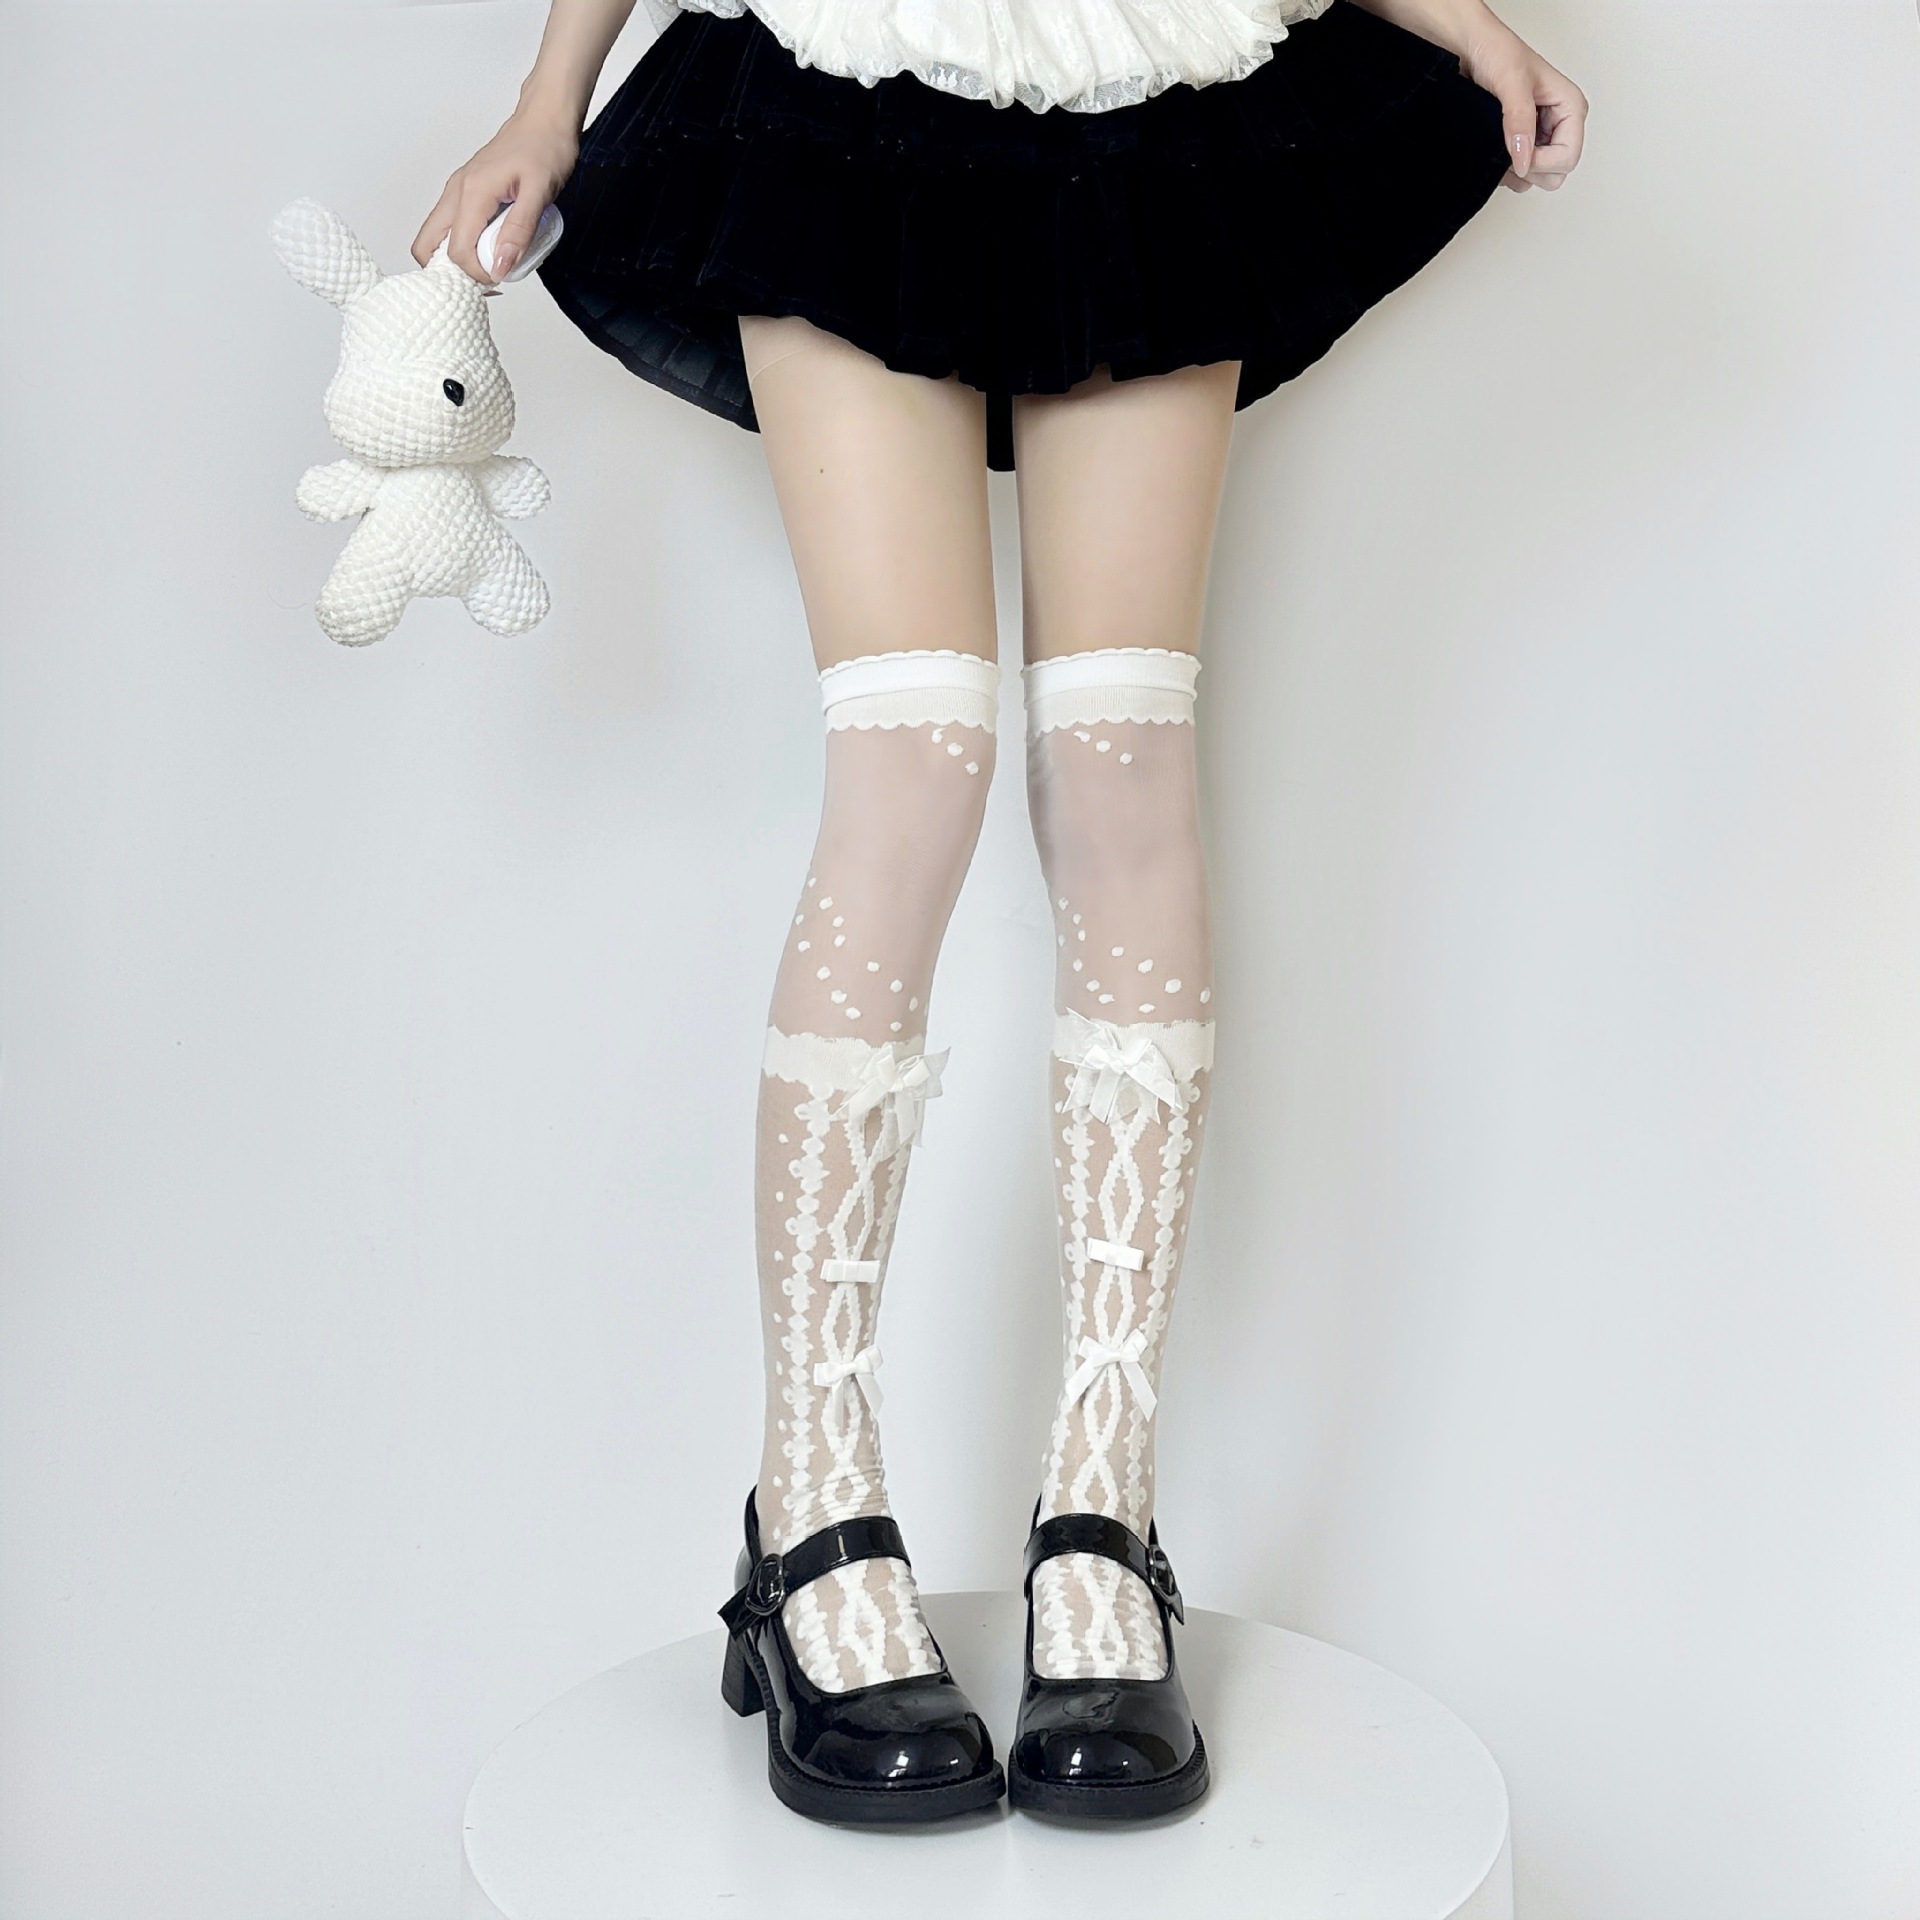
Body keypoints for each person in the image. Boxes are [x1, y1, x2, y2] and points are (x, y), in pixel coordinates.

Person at [416, 0, 1585, 1826]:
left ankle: (1103, 1513)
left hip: (1149, 67)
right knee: (918, 751)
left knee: (1122, 759)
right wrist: (547, 97)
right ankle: (811, 1509)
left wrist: (1468, 27)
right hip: (845, 65)